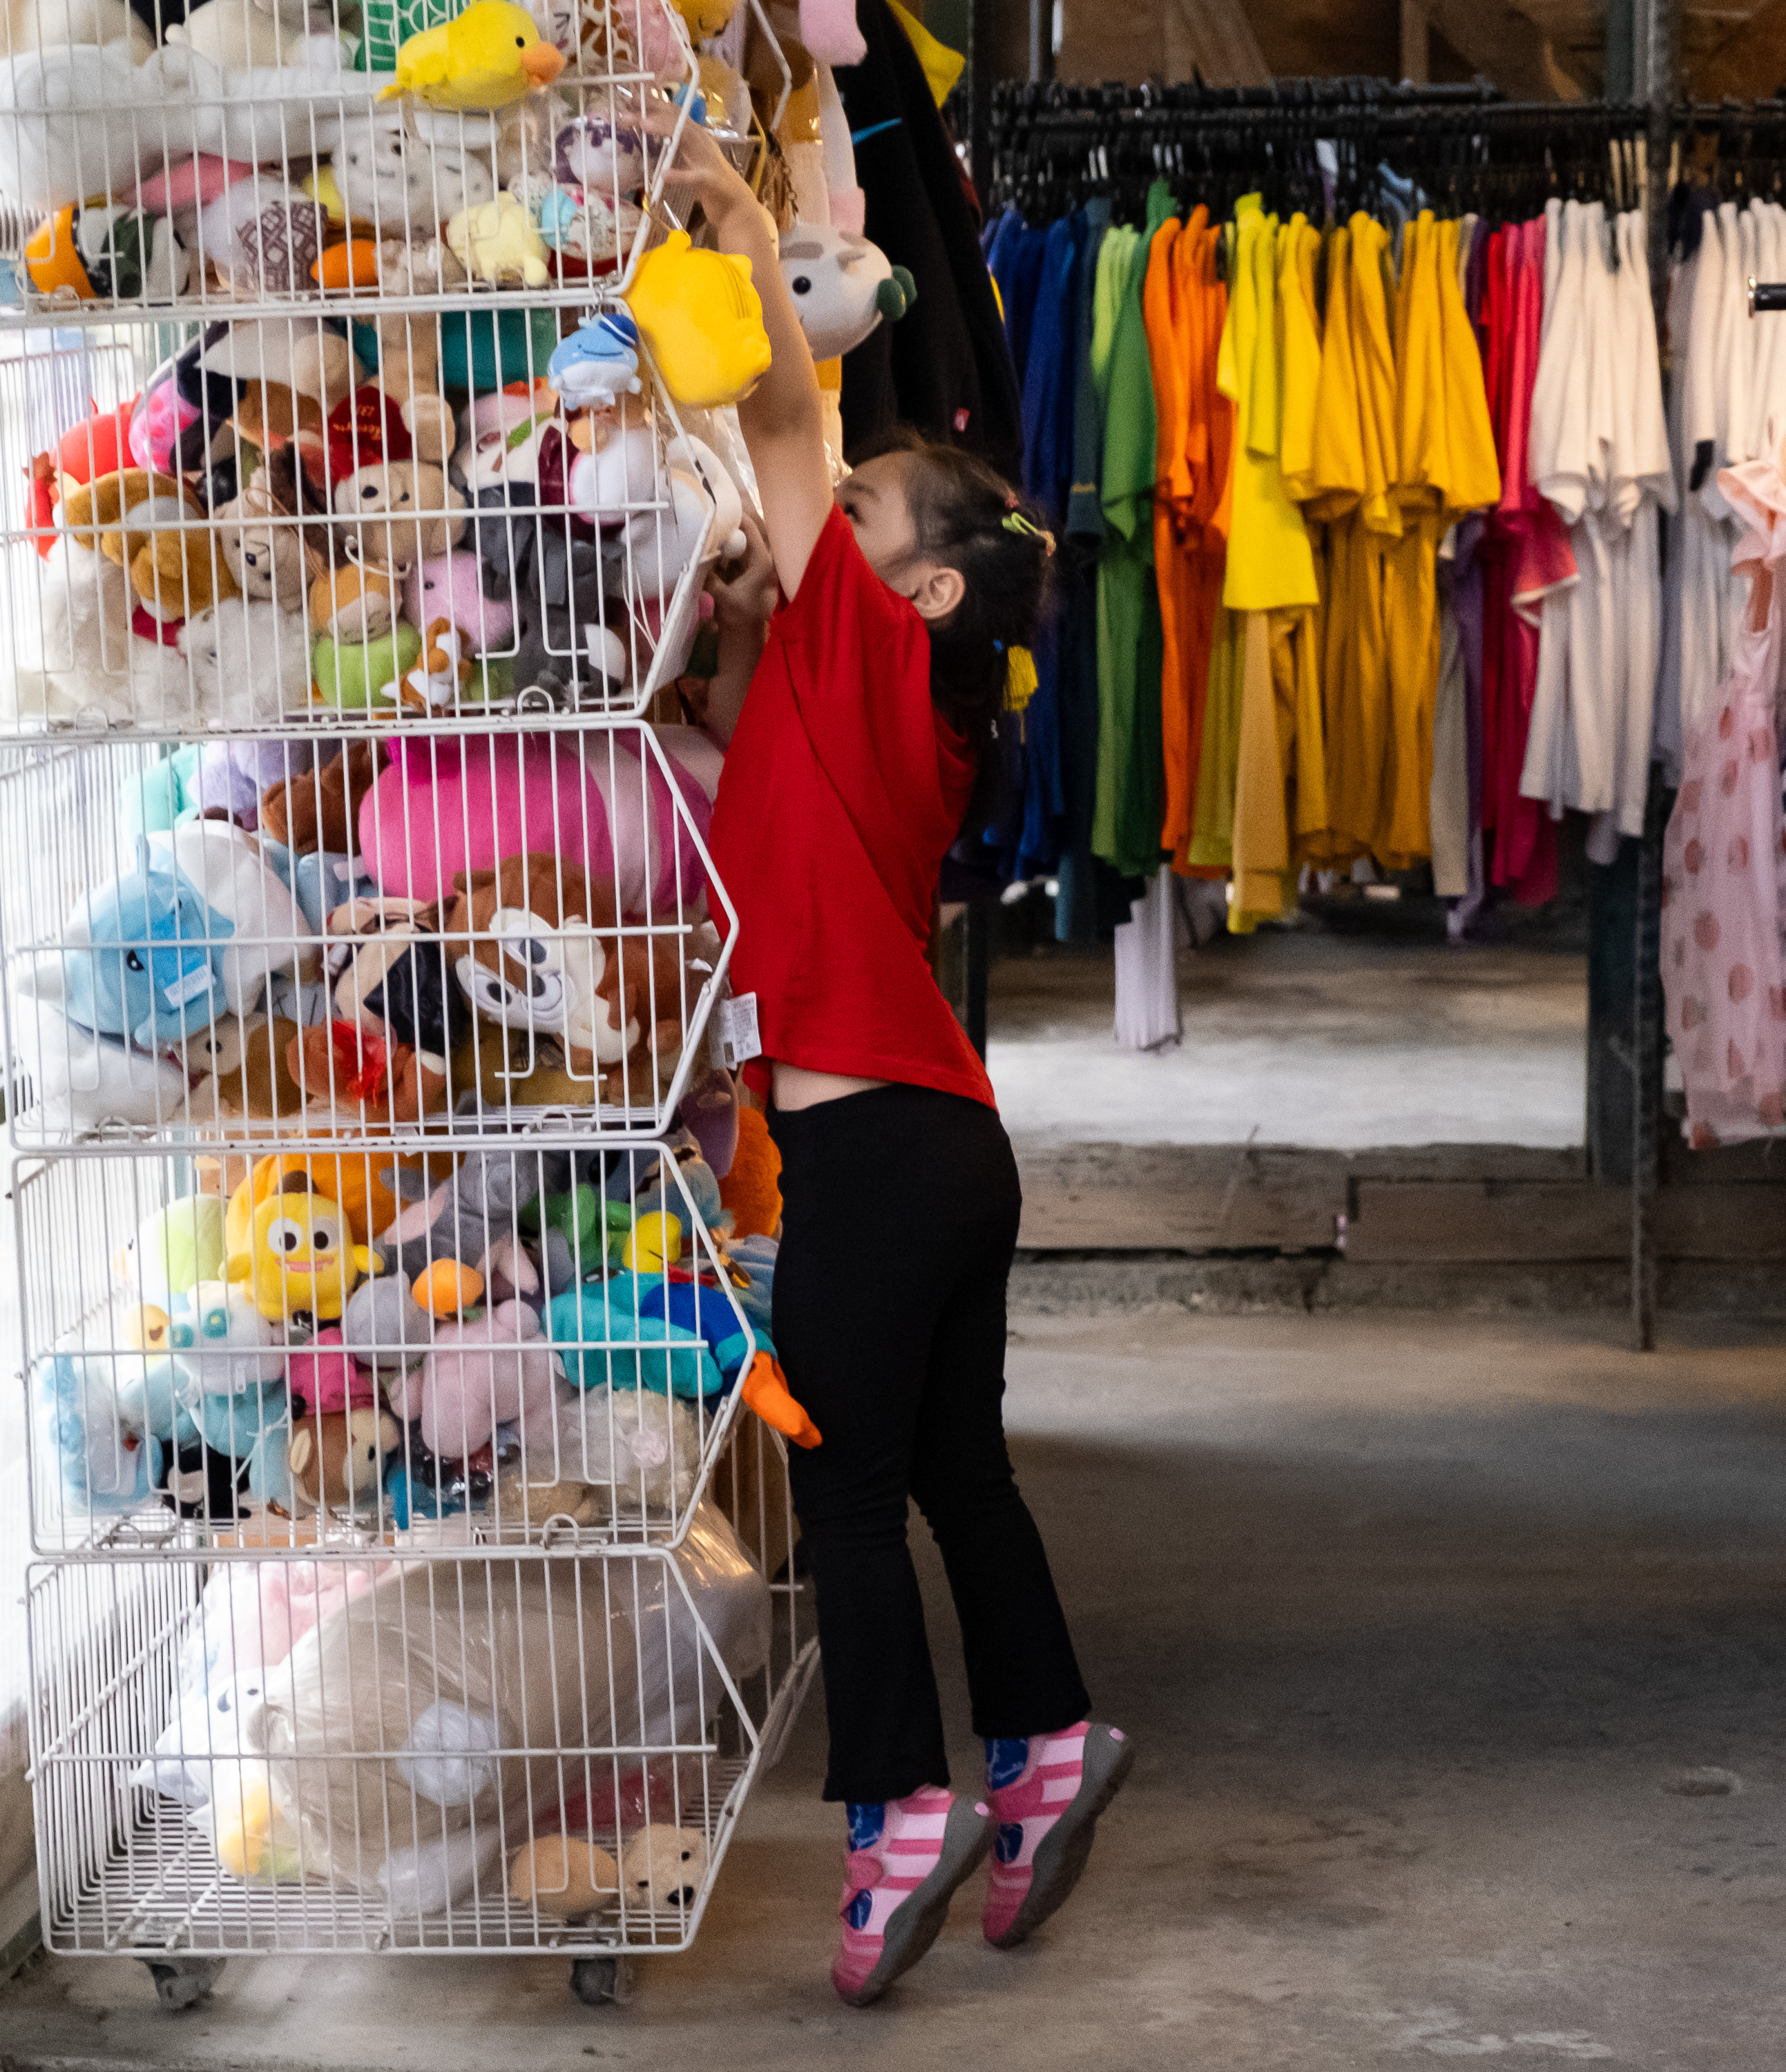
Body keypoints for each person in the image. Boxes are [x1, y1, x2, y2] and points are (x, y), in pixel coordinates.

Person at [666, 123, 1131, 2008]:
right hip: (945, 1139)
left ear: (921, 593)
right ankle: (1046, 1743)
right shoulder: (858, 686)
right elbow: (751, 739)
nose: (823, 514)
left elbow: (787, 418)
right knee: (954, 1468)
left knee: (849, 1492)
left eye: (859, 517)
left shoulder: (867, 652)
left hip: (869, 1143)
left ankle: (896, 1821)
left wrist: (741, 223)